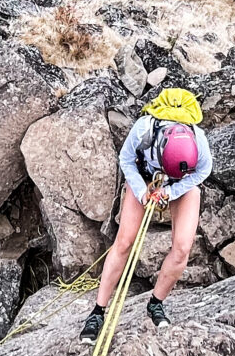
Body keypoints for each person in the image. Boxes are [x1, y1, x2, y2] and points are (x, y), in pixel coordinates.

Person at [80, 88, 211, 338]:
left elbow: (202, 172)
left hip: (179, 186)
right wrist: (142, 192)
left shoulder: (199, 140)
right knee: (125, 241)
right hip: (145, 176)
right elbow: (126, 160)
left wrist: (171, 192)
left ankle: (156, 303)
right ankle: (97, 312)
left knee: (183, 247)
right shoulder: (144, 129)